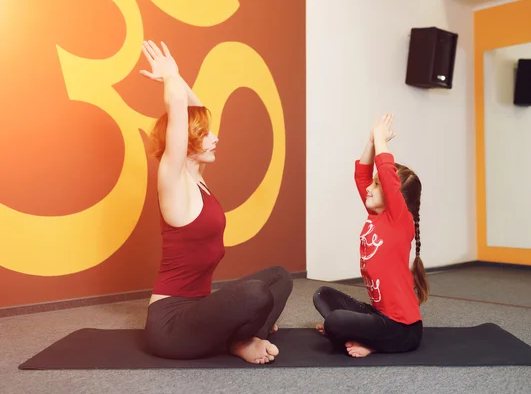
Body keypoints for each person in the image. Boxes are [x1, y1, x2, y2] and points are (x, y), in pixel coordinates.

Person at [139, 40, 293, 364]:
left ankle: (241, 337)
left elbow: (196, 112)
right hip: (171, 326)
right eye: (205, 135)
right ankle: (242, 339)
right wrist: (170, 78)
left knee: (280, 276)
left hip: (199, 311)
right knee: (256, 295)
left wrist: (178, 79)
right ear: (186, 144)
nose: (215, 137)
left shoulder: (198, 175)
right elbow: (181, 113)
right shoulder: (173, 179)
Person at [313, 113, 429, 358]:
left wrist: (381, 140)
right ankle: (359, 332)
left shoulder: (400, 221)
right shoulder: (376, 215)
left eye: (377, 186)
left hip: (404, 330)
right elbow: (362, 175)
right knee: (322, 295)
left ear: (393, 194)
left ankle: (372, 343)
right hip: (380, 316)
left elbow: (386, 174)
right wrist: (370, 142)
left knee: (335, 323)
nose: (369, 188)